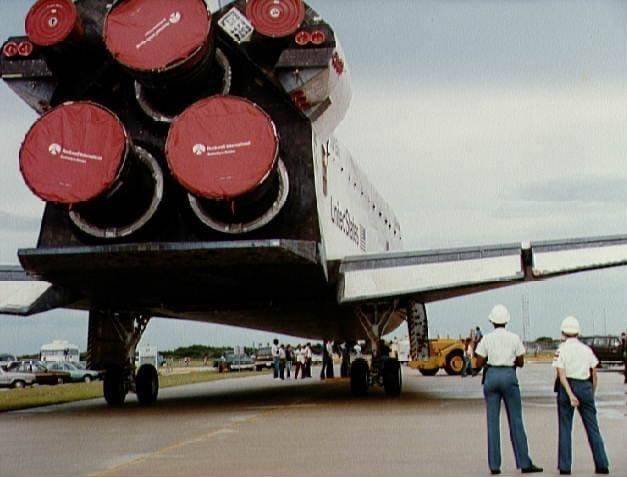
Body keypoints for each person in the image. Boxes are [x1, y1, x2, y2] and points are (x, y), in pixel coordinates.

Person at [474, 304, 542, 475]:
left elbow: (478, 362)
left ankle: (495, 465)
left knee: (492, 423)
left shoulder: (487, 338)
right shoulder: (514, 338)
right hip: (509, 375)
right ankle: (524, 462)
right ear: (506, 321)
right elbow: (520, 361)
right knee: (516, 420)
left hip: (491, 376)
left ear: (492, 321)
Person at [553, 316, 609, 475]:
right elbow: (594, 373)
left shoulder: (561, 350)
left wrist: (570, 394)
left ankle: (565, 466)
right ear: (578, 332)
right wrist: (591, 392)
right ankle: (602, 463)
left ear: (563, 332)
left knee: (565, 427)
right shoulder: (586, 350)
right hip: (585, 386)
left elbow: (560, 374)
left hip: (567, 386)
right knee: (593, 427)